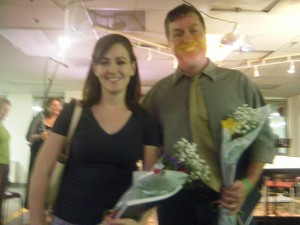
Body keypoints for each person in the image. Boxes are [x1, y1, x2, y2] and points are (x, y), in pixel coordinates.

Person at [142, 3, 275, 225]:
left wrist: (248, 184)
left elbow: (263, 142)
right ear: (169, 44)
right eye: (178, 33)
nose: (187, 37)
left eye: (194, 30)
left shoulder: (238, 84)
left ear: (205, 35)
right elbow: (146, 149)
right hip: (176, 205)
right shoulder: (157, 95)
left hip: (231, 199)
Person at [29, 33, 161, 225]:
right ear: (95, 68)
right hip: (67, 219)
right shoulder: (73, 112)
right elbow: (41, 169)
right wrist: (35, 220)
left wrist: (139, 222)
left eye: (120, 62)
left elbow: (151, 183)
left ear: (132, 68)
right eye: (104, 62)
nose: (112, 69)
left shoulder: (146, 121)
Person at [24, 97, 62, 208]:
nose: (57, 107)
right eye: (54, 105)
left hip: (53, 155)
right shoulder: (39, 119)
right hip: (38, 153)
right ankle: (35, 206)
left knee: (51, 181)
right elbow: (28, 137)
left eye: (59, 105)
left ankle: (48, 207)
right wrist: (41, 136)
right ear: (48, 106)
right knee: (37, 179)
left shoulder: (61, 121)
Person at [0, 97, 11, 225]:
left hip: (4, 164)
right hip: (0, 164)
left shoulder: (1, 123)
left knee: (1, 194)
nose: (7, 112)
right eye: (5, 109)